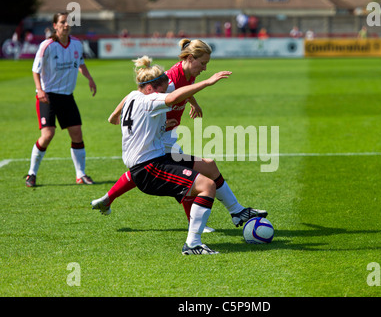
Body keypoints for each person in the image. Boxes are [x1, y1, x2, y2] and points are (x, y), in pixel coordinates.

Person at [92, 39, 266, 232]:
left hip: (164, 134)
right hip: (160, 138)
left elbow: (182, 89)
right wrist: (115, 114)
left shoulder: (186, 72)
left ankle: (236, 211)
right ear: (191, 58)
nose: (204, 68)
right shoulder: (169, 79)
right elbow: (138, 93)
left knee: (205, 166)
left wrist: (193, 102)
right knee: (187, 178)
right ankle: (201, 226)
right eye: (203, 63)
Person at [25, 12, 97, 187]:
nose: (66, 25)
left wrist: (89, 78)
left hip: (67, 97)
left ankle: (80, 174)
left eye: (68, 22)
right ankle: (31, 174)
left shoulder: (77, 44)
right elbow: (35, 70)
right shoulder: (47, 46)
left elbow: (80, 63)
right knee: (48, 135)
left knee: (77, 133)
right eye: (62, 22)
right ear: (55, 26)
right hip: (47, 97)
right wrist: (39, 90)